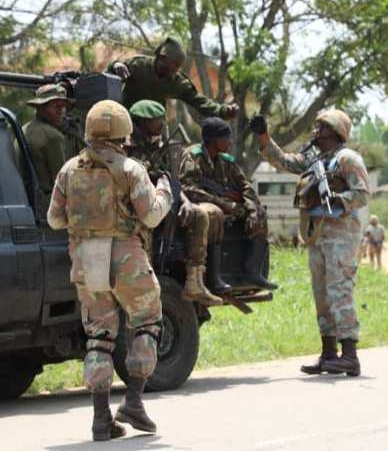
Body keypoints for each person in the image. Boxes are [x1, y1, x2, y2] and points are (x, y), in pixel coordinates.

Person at [47, 100, 172, 440]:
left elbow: (54, 219)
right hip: (126, 256)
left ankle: (101, 418)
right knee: (147, 321)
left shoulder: (68, 169)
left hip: (86, 258)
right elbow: (151, 216)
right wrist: (165, 191)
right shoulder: (131, 169)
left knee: (100, 336)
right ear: (123, 133)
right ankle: (133, 401)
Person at [251, 110, 370, 377]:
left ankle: (349, 356)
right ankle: (328, 354)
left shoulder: (347, 159)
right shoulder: (314, 160)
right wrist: (264, 136)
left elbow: (363, 193)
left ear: (336, 130)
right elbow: (282, 161)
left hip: (341, 234)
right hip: (317, 233)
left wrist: (338, 199)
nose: (316, 131)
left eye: (322, 127)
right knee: (321, 294)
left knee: (340, 291)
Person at [127, 99, 224, 306]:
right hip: (138, 205)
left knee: (199, 215)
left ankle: (195, 282)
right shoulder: (126, 147)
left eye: (161, 120)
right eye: (155, 121)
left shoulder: (162, 145)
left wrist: (186, 202)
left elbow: (171, 178)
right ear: (140, 122)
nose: (161, 124)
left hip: (163, 199)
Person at [179, 117, 277, 291]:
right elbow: (188, 189)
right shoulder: (193, 156)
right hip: (201, 206)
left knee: (259, 213)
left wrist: (252, 209)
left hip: (226, 204)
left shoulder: (226, 160)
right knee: (214, 214)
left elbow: (245, 185)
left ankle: (252, 271)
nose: (230, 142)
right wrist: (223, 204)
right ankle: (214, 277)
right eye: (226, 138)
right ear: (213, 139)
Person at [107, 38, 238, 120]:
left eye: (178, 66)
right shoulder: (139, 65)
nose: (175, 70)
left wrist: (222, 111)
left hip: (152, 126)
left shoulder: (177, 82)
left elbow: (200, 102)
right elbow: (109, 76)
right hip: (125, 119)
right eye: (174, 64)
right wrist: (115, 66)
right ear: (162, 58)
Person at [23, 84, 79, 211]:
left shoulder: (23, 129)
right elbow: (63, 184)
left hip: (26, 202)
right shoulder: (52, 136)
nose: (61, 111)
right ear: (40, 107)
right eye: (55, 106)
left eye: (63, 106)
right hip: (48, 207)